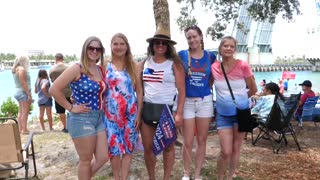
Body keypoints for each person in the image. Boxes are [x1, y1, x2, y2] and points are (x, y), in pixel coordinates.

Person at [49, 36, 109, 179]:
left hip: (99, 117)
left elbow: (101, 91)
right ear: (85, 49)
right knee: (86, 160)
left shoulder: (100, 69)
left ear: (101, 51)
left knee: (103, 157)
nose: (94, 51)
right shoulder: (77, 68)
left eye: (97, 48)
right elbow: (54, 89)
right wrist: (71, 107)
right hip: (82, 119)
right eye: (91, 48)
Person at [140, 28, 185, 180]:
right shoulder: (144, 63)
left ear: (168, 46)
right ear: (152, 45)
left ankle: (166, 177)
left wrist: (179, 113)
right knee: (148, 148)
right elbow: (136, 87)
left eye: (164, 43)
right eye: (157, 43)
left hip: (167, 111)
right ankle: (151, 177)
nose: (160, 45)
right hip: (147, 109)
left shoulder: (175, 64)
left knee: (168, 147)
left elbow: (182, 90)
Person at [211, 36, 257, 180]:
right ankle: (220, 177)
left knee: (236, 148)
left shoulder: (243, 65)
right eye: (226, 46)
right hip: (223, 115)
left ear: (235, 49)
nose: (229, 48)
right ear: (220, 48)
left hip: (241, 113)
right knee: (225, 151)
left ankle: (230, 177)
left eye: (232, 46)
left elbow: (253, 89)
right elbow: (208, 86)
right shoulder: (214, 67)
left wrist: (240, 101)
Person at [179, 25, 216, 180]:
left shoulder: (210, 56)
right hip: (187, 102)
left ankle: (197, 174)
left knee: (202, 140)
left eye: (194, 36)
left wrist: (206, 89)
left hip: (205, 102)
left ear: (201, 36)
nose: (192, 40)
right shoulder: (182, 55)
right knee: (187, 141)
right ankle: (186, 173)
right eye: (189, 37)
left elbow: (213, 76)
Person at [104, 33, 143, 179]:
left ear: (127, 46)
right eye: (115, 44)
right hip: (110, 115)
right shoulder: (105, 65)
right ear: (111, 46)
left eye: (122, 44)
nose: (119, 47)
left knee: (128, 149)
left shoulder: (134, 66)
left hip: (130, 114)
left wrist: (138, 114)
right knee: (114, 150)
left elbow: (139, 91)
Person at [49, 53, 72, 133]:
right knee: (73, 109)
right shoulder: (69, 67)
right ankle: (74, 125)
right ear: (63, 58)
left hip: (59, 93)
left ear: (56, 59)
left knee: (61, 111)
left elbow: (52, 81)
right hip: (70, 92)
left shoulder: (52, 69)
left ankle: (65, 127)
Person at [12, 56, 32, 134]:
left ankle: (20, 129)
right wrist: (29, 94)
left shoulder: (14, 69)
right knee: (25, 112)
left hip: (17, 91)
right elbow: (23, 82)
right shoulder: (22, 69)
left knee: (20, 111)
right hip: (23, 92)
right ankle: (24, 129)